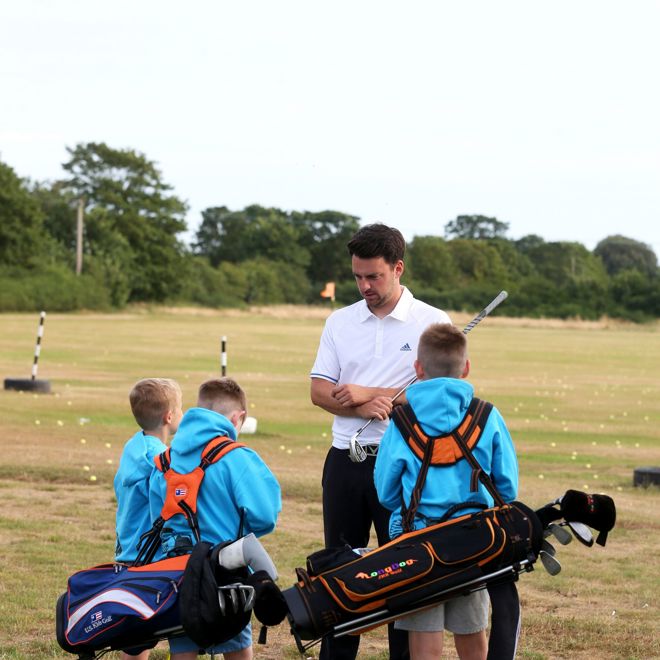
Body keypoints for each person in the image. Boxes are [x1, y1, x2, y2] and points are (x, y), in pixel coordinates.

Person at [310, 223, 451, 660]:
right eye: (358, 276)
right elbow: (319, 390)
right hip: (345, 464)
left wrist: (368, 394)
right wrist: (358, 407)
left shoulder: (432, 322)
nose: (364, 286)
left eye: (374, 276)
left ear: (398, 268)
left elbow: (441, 397)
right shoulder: (340, 321)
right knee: (341, 572)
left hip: (408, 466)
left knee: (403, 573)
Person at [374, 323, 519, 660]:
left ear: (417, 368)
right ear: (466, 368)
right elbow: (507, 488)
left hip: (418, 543)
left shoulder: (402, 421)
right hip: (475, 543)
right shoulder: (487, 416)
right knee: (472, 631)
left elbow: (386, 492)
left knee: (424, 638)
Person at [149, 377, 282, 660]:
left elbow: (156, 519)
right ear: (239, 417)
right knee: (235, 644)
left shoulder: (165, 460)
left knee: (183, 645)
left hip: (178, 574)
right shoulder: (238, 458)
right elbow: (266, 517)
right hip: (226, 573)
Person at [113, 377, 184, 660]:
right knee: (147, 626)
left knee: (135, 635)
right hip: (148, 555)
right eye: (180, 409)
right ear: (169, 417)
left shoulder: (134, 448)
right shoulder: (160, 460)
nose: (182, 414)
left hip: (126, 550)